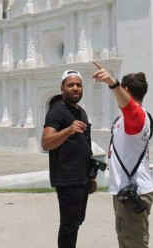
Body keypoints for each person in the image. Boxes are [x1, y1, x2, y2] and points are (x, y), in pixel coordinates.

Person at [92, 61, 153, 248]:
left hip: (133, 191)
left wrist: (112, 84)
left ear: (126, 90)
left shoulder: (137, 117)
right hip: (125, 191)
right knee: (126, 239)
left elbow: (130, 110)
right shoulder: (124, 120)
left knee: (133, 243)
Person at [41, 70, 97, 248]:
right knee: (69, 226)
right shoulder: (56, 111)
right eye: (70, 85)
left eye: (78, 85)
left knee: (77, 221)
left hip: (82, 178)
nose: (75, 88)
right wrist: (68, 130)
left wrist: (91, 175)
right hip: (67, 178)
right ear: (62, 88)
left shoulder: (81, 112)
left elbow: (85, 145)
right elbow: (46, 143)